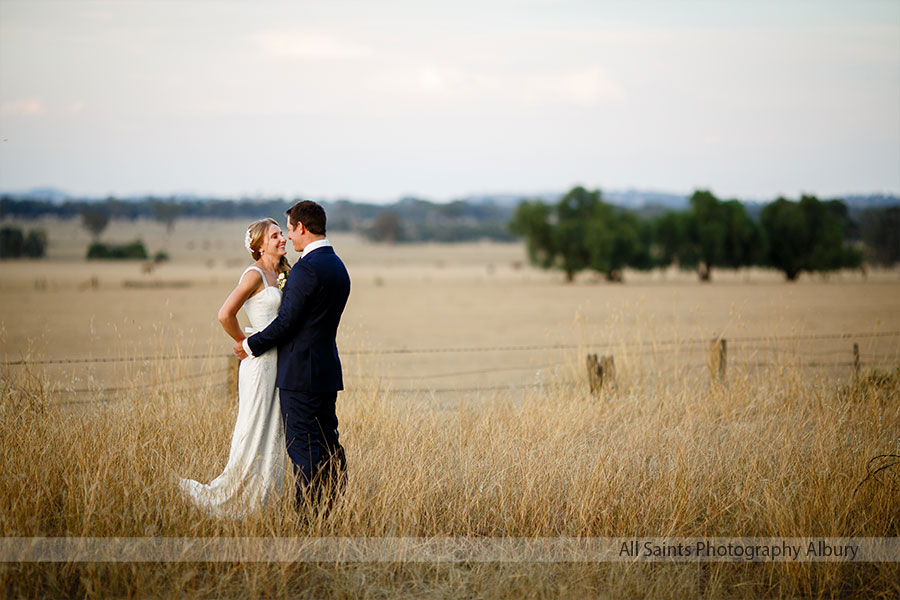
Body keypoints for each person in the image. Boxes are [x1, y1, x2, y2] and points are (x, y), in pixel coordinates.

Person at [234, 200, 350, 511]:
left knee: (303, 448)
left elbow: (287, 322)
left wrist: (249, 345)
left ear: (301, 227)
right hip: (326, 370)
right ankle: (333, 507)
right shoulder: (338, 265)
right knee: (328, 443)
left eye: (289, 230)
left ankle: (307, 517)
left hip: (301, 374)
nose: (288, 237)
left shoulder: (307, 269)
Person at [179, 218, 290, 517]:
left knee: (273, 429)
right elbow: (225, 313)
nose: (283, 238)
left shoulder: (282, 272)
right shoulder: (254, 275)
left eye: (283, 234)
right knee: (254, 426)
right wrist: (244, 342)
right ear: (259, 245)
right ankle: (234, 496)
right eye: (276, 235)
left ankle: (265, 501)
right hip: (259, 363)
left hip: (281, 362)